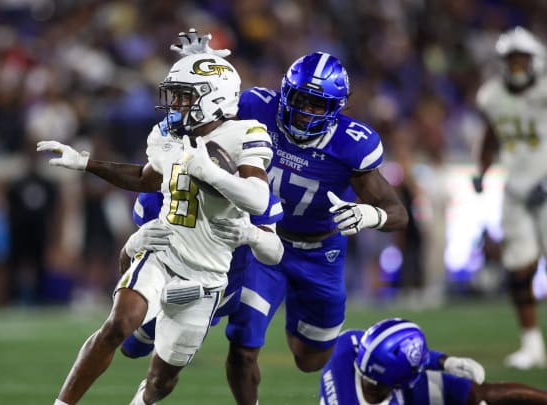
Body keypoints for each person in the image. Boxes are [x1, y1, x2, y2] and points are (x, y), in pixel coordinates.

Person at [170, 29, 409, 404]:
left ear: (336, 109)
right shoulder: (254, 107)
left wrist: (368, 215)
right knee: (244, 344)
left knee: (310, 360)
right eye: (300, 99)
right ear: (285, 93)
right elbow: (202, 112)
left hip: (320, 253)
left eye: (318, 105)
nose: (305, 111)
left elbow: (398, 212)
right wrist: (198, 68)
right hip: (263, 243)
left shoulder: (352, 145)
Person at [36, 52, 275, 405]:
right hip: (164, 250)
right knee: (119, 324)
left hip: (207, 277)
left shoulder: (246, 134)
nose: (176, 104)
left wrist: (210, 172)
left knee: (161, 380)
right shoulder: (169, 135)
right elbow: (145, 178)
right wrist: (87, 163)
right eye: (175, 94)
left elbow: (257, 199)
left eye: (185, 95)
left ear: (216, 97)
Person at [119, 191, 284, 358]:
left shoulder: (254, 196)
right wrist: (132, 246)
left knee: (168, 366)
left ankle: (157, 376)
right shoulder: (158, 196)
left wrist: (253, 235)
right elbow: (140, 258)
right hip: (170, 287)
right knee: (132, 348)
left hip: (222, 292)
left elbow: (275, 255)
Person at [473, 25, 547, 369]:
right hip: (516, 190)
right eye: (511, 60)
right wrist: (482, 169)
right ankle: (532, 344)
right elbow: (491, 134)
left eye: (521, 60)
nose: (516, 67)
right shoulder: (492, 95)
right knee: (518, 269)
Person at [320, 317, 547, 404]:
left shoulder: (348, 345)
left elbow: (391, 353)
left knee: (474, 394)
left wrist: (446, 362)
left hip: (385, 385)